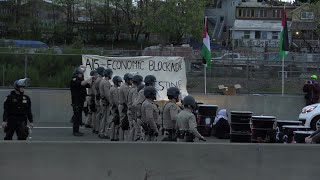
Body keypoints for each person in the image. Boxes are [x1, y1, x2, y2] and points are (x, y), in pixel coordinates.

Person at [132, 75, 157, 140]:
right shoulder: (143, 91)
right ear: (150, 83)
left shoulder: (146, 90)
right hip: (142, 118)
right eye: (154, 82)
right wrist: (142, 114)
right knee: (141, 137)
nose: (154, 84)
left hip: (144, 116)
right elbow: (136, 104)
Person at [70, 66, 92, 136]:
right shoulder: (75, 80)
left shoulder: (80, 79)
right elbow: (82, 83)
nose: (81, 75)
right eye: (80, 74)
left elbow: (88, 85)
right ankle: (75, 131)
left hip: (81, 100)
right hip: (76, 101)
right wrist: (89, 79)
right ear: (77, 74)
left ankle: (77, 130)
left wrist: (91, 80)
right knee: (77, 116)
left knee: (78, 115)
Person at [98, 68, 113, 139]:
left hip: (103, 101)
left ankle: (102, 132)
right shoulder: (106, 82)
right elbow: (107, 94)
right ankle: (103, 133)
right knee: (105, 118)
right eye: (111, 74)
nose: (111, 75)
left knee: (103, 118)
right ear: (108, 74)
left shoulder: (103, 81)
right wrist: (111, 102)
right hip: (105, 102)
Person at [128, 74, 144, 141]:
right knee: (134, 130)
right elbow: (135, 103)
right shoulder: (135, 90)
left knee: (133, 129)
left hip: (130, 110)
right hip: (133, 111)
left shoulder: (131, 88)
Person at [118, 73, 133, 141]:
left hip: (123, 105)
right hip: (123, 106)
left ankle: (122, 139)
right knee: (124, 123)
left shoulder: (124, 86)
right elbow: (128, 98)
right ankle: (122, 140)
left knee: (123, 123)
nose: (132, 81)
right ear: (127, 80)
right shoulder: (125, 87)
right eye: (130, 80)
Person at [92, 66, 105, 134]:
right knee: (100, 114)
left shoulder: (97, 79)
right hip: (99, 98)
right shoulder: (100, 80)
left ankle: (95, 128)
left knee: (97, 114)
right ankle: (97, 129)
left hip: (97, 97)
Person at [109, 76, 122, 141]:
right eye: (119, 82)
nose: (120, 83)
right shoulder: (115, 89)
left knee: (115, 122)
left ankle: (113, 136)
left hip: (113, 107)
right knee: (115, 122)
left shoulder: (113, 88)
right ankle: (114, 136)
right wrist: (119, 108)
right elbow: (116, 100)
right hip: (115, 108)